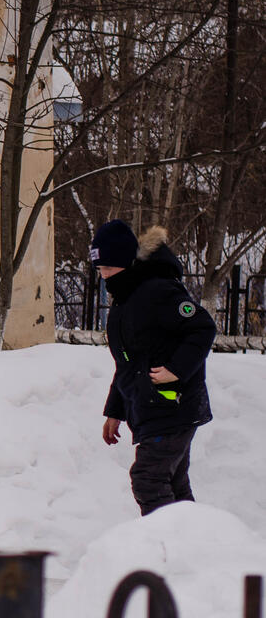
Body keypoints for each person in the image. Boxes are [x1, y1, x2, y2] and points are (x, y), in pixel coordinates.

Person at [91, 220, 217, 515]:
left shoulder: (158, 291)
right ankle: (194, 544)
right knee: (172, 480)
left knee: (148, 479)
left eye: (108, 268)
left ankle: (166, 547)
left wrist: (176, 369)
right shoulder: (124, 302)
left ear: (126, 262)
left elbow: (202, 327)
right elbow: (128, 363)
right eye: (100, 270)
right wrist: (115, 411)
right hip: (152, 407)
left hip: (174, 404)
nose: (104, 276)